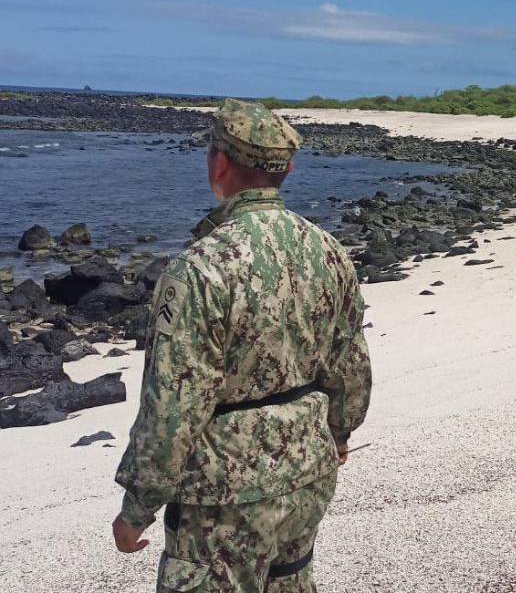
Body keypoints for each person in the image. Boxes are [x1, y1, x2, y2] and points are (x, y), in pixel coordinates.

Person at [112, 98, 372, 592]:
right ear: (287, 168)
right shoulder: (326, 249)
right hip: (308, 466)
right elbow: (350, 361)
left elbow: (173, 405)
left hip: (224, 491)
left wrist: (137, 508)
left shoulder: (200, 267)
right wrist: (338, 433)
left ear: (219, 163)